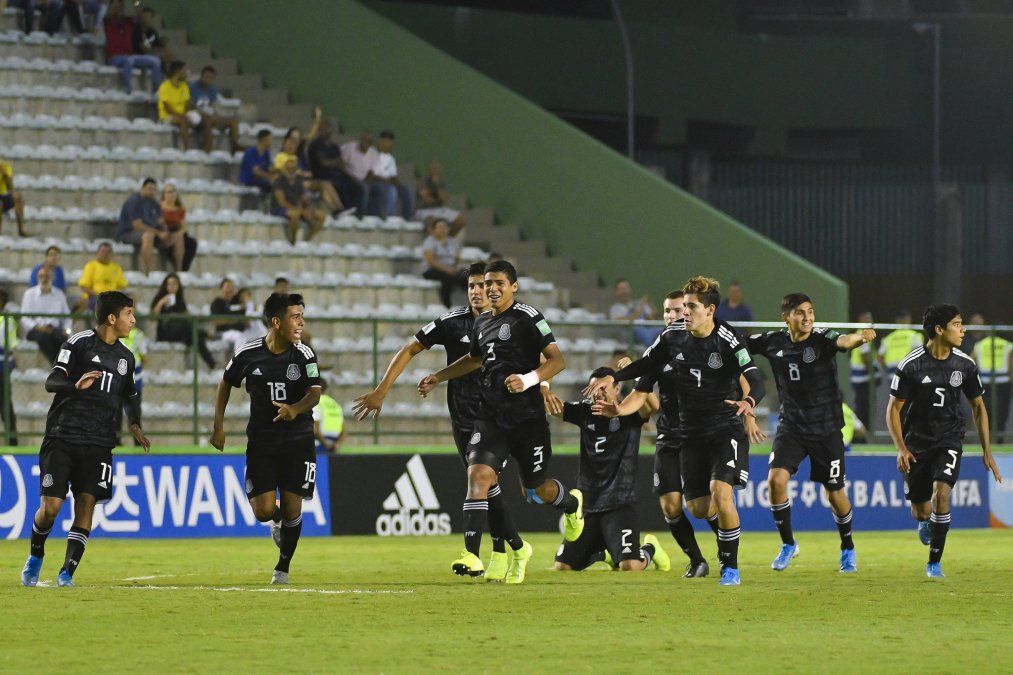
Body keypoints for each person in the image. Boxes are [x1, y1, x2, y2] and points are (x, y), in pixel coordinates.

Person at [353, 262, 529, 582]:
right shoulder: (452, 322)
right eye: (471, 286)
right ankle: (511, 548)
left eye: (482, 285)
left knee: (480, 482)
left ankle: (474, 555)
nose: (477, 291)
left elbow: (538, 360)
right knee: (487, 487)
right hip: (461, 418)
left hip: (497, 419)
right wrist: (382, 390)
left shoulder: (513, 324)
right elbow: (410, 349)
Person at [586, 276, 767, 587]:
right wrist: (613, 378)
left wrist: (749, 401)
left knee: (721, 493)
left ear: (710, 310)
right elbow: (646, 365)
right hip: (689, 435)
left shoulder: (729, 338)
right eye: (683, 306)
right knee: (698, 508)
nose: (684, 312)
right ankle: (714, 549)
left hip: (724, 428)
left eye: (691, 307)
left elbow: (756, 378)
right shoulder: (672, 337)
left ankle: (730, 568)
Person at [418, 260, 579, 580]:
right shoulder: (482, 324)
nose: (491, 288)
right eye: (487, 283)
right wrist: (440, 376)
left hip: (528, 421)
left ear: (513, 287)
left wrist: (530, 380)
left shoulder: (529, 317)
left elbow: (557, 360)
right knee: (478, 476)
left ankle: (571, 506)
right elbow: (474, 360)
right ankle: (471, 555)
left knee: (535, 490)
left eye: (498, 283)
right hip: (491, 419)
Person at [20, 291, 150, 587]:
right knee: (50, 508)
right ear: (112, 318)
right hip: (62, 435)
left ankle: (67, 572)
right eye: (129, 314)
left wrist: (136, 426)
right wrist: (74, 386)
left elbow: (130, 396)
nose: (134, 320)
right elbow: (51, 381)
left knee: (86, 502)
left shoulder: (126, 358)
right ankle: (36, 553)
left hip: (99, 441)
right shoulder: (78, 344)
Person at [746, 293, 876, 573]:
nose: (807, 318)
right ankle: (788, 544)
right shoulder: (772, 341)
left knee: (836, 495)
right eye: (800, 313)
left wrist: (860, 337)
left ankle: (847, 548)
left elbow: (844, 341)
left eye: (810, 312)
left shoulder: (822, 338)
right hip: (791, 425)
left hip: (826, 428)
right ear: (786, 317)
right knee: (775, 481)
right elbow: (738, 346)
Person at [211, 293, 322, 584]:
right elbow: (226, 382)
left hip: (297, 440)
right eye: (295, 317)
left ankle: (282, 568)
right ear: (276, 322)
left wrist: (294, 409)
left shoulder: (305, 354)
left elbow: (315, 393)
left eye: (302, 316)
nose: (301, 322)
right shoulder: (248, 353)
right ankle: (274, 521)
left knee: (293, 508)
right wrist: (218, 426)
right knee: (262, 511)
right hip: (261, 441)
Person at [887, 304, 1002, 578]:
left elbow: (978, 407)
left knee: (942, 493)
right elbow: (893, 409)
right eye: (957, 324)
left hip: (950, 437)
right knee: (921, 510)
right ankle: (925, 522)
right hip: (917, 442)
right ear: (939, 330)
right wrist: (901, 447)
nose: (963, 330)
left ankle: (934, 563)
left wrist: (987, 451)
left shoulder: (965, 364)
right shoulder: (911, 364)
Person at [547, 367, 670, 573]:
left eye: (603, 387)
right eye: (594, 387)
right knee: (563, 567)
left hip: (620, 504)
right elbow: (553, 408)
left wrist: (636, 373)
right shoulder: (584, 412)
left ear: (617, 388)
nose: (599, 392)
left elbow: (653, 405)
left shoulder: (629, 412)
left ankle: (649, 549)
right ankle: (602, 553)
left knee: (630, 566)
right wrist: (543, 387)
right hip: (588, 505)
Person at [117, 177, 184, 273]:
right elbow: (138, 225)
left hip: (153, 233)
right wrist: (159, 233)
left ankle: (178, 271)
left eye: (154, 190)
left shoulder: (154, 203)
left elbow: (160, 221)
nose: (152, 192)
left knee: (178, 237)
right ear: (142, 188)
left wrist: (166, 231)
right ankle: (147, 272)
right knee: (148, 235)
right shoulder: (134, 201)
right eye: (149, 189)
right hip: (129, 233)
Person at [150, 273, 215, 369]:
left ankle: (211, 363)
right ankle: (205, 334)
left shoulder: (180, 301)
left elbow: (187, 317)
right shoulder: (161, 298)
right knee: (192, 331)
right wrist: (161, 303)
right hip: (166, 332)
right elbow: (152, 317)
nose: (172, 287)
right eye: (169, 284)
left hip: (181, 332)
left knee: (196, 337)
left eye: (175, 284)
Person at [274, 128, 345, 216]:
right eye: (292, 140)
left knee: (325, 184)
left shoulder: (296, 156)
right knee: (321, 185)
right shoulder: (281, 156)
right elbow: (281, 172)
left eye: (297, 140)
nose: (294, 143)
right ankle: (337, 210)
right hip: (293, 183)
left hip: (302, 180)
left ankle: (339, 209)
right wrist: (300, 173)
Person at [103, 0, 162, 94]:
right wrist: (114, 5)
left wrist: (135, 3)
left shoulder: (129, 23)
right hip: (114, 57)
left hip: (131, 56)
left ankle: (157, 91)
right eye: (115, 7)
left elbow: (139, 16)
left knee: (156, 61)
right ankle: (127, 89)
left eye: (120, 7)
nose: (118, 9)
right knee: (129, 60)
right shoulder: (108, 22)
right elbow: (108, 14)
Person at [308, 116, 361, 213]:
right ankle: (341, 210)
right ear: (319, 130)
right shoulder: (315, 145)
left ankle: (356, 213)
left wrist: (351, 176)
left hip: (336, 174)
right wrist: (334, 162)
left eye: (328, 128)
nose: (326, 130)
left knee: (356, 185)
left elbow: (340, 163)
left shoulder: (334, 146)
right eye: (323, 128)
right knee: (338, 184)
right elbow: (323, 163)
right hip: (321, 176)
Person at [21, 267, 73, 365]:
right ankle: (57, 364)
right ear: (38, 278)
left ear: (52, 278)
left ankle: (63, 364)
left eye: (47, 276)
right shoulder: (29, 294)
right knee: (43, 337)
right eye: (41, 276)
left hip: (54, 329)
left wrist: (67, 330)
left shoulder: (59, 294)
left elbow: (66, 316)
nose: (44, 279)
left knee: (62, 338)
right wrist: (38, 327)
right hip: (36, 329)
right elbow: (25, 318)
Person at [272, 155, 325, 245]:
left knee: (321, 215)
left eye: (293, 168)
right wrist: (299, 210)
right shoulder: (279, 181)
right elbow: (281, 202)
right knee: (295, 215)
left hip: (297, 207)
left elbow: (303, 197)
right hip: (281, 208)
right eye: (288, 168)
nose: (291, 170)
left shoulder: (298, 180)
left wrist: (306, 207)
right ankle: (293, 240)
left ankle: (307, 240)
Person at [973, 318, 1011, 442]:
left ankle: (986, 441)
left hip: (984, 382)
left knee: (986, 412)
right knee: (1002, 413)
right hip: (1003, 383)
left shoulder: (979, 345)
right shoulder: (1008, 346)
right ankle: (999, 441)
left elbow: (970, 363)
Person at [189, 65, 240, 153]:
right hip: (197, 115)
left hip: (210, 113)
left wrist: (214, 113)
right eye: (206, 76)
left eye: (211, 77)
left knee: (233, 121)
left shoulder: (212, 90)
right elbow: (191, 105)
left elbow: (211, 105)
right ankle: (208, 149)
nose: (208, 79)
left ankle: (234, 147)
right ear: (201, 76)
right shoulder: (192, 88)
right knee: (208, 119)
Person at [366, 131, 414, 219]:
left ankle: (407, 218)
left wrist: (400, 186)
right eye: (385, 141)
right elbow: (371, 175)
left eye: (390, 142)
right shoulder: (372, 153)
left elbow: (393, 176)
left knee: (406, 190)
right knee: (391, 189)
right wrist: (386, 181)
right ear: (380, 141)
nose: (387, 144)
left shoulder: (390, 158)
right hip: (375, 183)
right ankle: (390, 218)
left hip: (387, 183)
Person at [421, 218, 467, 308]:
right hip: (433, 269)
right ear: (434, 229)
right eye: (440, 227)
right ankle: (446, 305)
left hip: (450, 268)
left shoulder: (452, 241)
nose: (443, 229)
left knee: (469, 276)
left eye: (445, 227)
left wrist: (456, 267)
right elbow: (431, 261)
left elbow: (457, 258)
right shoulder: (429, 242)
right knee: (447, 277)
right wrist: (447, 269)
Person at [415, 159, 466, 236]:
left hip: (439, 209)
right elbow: (426, 199)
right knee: (431, 220)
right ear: (428, 170)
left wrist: (437, 185)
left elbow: (444, 200)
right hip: (424, 210)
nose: (434, 170)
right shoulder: (423, 181)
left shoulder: (441, 183)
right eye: (432, 168)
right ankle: (434, 243)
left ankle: (448, 240)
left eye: (436, 168)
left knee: (460, 220)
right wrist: (437, 198)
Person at [120, 321, 148, 445]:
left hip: (125, 378)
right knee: (134, 413)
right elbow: (144, 358)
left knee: (124, 412)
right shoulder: (138, 335)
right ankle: (137, 442)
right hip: (132, 379)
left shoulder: (117, 334)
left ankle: (117, 441)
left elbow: (144, 358)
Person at [159, 182, 197, 272]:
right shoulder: (159, 207)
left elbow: (182, 226)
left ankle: (183, 268)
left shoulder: (180, 208)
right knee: (178, 240)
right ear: (164, 194)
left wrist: (179, 233)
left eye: (172, 192)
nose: (170, 194)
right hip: (165, 231)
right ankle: (178, 269)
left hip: (177, 231)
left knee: (191, 242)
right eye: (168, 192)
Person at [608, 279, 657, 347]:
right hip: (630, 334)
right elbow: (623, 322)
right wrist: (640, 309)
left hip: (647, 329)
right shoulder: (615, 309)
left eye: (626, 288)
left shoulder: (637, 303)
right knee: (642, 333)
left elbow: (650, 319)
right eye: (622, 289)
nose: (624, 291)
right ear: (616, 292)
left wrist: (650, 306)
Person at [78, 242, 128, 310]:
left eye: (108, 252)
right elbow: (83, 286)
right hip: (95, 298)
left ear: (112, 254)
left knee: (131, 297)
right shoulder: (91, 266)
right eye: (103, 252)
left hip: (112, 298)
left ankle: (130, 320)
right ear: (97, 253)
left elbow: (122, 286)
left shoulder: (116, 268)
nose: (105, 254)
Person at [157, 61, 193, 151]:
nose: (186, 73)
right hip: (167, 117)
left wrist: (190, 113)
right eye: (184, 70)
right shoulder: (164, 86)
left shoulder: (185, 86)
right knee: (183, 120)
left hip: (182, 115)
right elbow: (167, 108)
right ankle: (186, 149)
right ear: (177, 72)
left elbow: (187, 104)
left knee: (201, 119)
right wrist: (183, 115)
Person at [849, 310, 877, 429]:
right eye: (867, 318)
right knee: (865, 407)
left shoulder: (857, 333)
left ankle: (862, 431)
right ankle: (864, 432)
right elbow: (864, 355)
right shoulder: (864, 334)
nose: (870, 321)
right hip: (863, 378)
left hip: (857, 378)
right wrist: (872, 371)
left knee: (860, 405)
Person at [340, 130, 378, 215]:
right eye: (364, 139)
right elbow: (341, 166)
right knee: (364, 187)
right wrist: (353, 179)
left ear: (371, 143)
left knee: (384, 189)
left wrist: (365, 181)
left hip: (364, 180)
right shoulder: (349, 147)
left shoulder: (374, 153)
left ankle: (377, 218)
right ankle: (361, 217)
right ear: (360, 139)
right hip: (349, 178)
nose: (365, 142)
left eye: (368, 141)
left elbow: (371, 172)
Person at [210, 278, 249, 354]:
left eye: (231, 288)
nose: (229, 290)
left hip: (240, 329)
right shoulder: (217, 303)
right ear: (221, 289)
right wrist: (232, 320)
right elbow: (215, 321)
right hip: (223, 332)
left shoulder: (236, 301)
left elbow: (245, 317)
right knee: (240, 337)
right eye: (227, 288)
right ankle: (238, 364)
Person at [0, 288, 19, 445]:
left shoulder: (8, 321)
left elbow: (7, 346)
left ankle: (12, 440)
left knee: (5, 403)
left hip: (2, 367)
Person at [878, 310, 922, 376]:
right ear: (908, 320)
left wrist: (886, 370)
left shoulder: (888, 338)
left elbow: (879, 357)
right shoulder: (914, 336)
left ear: (897, 321)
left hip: (892, 371)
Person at [313, 380, 345, 454]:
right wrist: (337, 445)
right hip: (333, 444)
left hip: (319, 444)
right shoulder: (335, 404)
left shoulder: (315, 402)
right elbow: (344, 431)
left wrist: (325, 444)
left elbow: (315, 429)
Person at [0, 155, 29, 237]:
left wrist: (4, 174)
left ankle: (21, 230)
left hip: (2, 195)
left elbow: (10, 188)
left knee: (17, 196)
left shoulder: (5, 166)